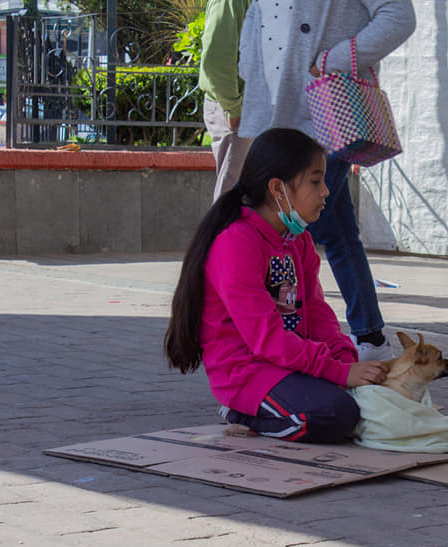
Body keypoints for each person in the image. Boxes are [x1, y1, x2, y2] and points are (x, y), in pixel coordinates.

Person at [164, 128, 388, 443]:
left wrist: (348, 365)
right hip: (248, 374)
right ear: (277, 189)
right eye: (315, 181)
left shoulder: (300, 241)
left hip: (290, 364)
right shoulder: (236, 243)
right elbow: (266, 339)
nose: (326, 191)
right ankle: (242, 414)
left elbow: (317, 311)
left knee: (367, 402)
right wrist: (338, 374)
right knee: (338, 414)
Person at [237, 0, 416, 362]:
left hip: (324, 113)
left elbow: (399, 16)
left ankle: (286, 341)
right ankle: (370, 337)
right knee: (335, 233)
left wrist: (333, 59)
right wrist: (248, 69)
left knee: (289, 232)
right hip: (276, 111)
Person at [200, 0, 253, 201]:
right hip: (236, 111)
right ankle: (218, 234)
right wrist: (234, 108)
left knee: (242, 198)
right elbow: (215, 60)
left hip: (244, 109)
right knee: (231, 200)